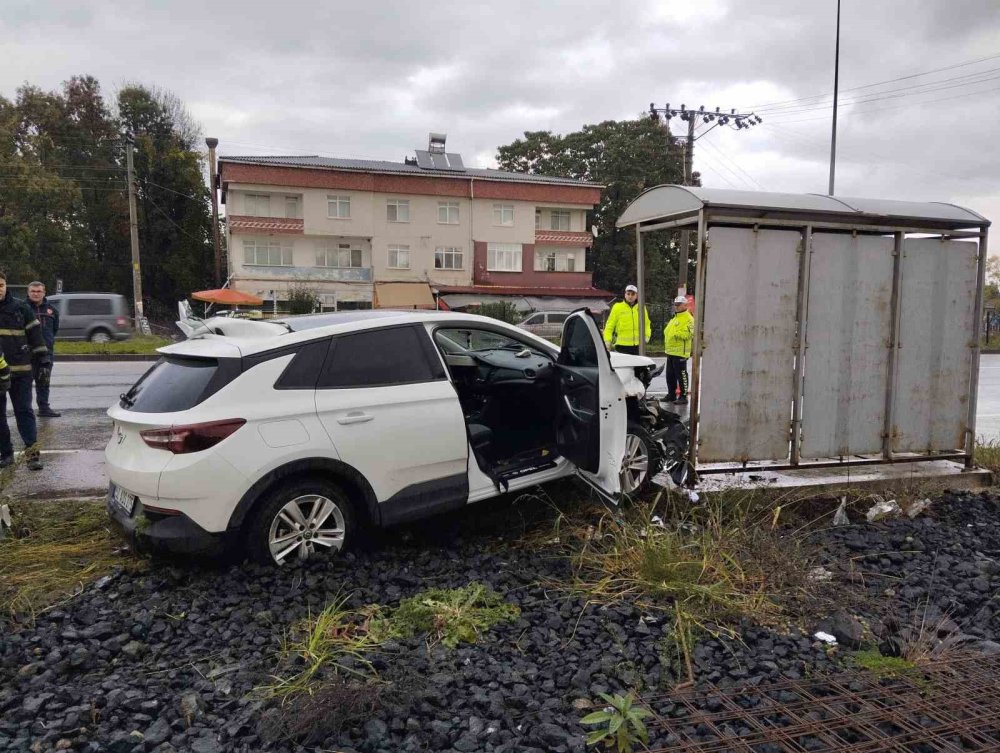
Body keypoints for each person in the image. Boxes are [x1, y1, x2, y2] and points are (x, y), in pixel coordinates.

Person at [0, 271, 51, 470]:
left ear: (6, 286)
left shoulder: (21, 308)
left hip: (21, 372)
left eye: (1, 285)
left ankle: (32, 456)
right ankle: (6, 454)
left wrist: (44, 360)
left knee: (24, 412)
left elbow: (36, 336)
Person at [26, 281, 60, 417]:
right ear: (28, 293)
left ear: (44, 293)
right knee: (25, 384)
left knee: (44, 381)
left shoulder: (52, 310)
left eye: (38, 291)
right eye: (33, 291)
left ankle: (44, 408)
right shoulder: (22, 308)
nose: (35, 294)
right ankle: (25, 410)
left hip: (46, 353)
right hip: (27, 353)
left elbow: (54, 329)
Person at [663, 294, 694, 404]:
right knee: (670, 376)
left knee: (681, 375)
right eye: (675, 304)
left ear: (685, 305)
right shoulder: (674, 318)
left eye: (678, 304)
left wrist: (676, 334)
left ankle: (683, 396)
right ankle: (671, 394)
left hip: (680, 352)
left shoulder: (689, 318)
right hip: (670, 352)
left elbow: (689, 334)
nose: (676, 306)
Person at [602, 284, 650, 355]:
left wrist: (647, 336)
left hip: (638, 346)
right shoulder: (617, 307)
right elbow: (610, 325)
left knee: (639, 366)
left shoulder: (641, 307)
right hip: (621, 346)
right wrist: (607, 341)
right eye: (628, 294)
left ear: (636, 295)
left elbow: (646, 324)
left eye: (633, 294)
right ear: (625, 295)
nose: (630, 296)